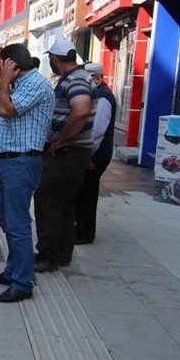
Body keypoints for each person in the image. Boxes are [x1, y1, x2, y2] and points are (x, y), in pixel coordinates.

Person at [0, 43, 55, 302]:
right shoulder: (20, 85)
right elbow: (13, 123)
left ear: (12, 64)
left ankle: (23, 283)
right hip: (9, 160)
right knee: (8, 222)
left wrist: (4, 81)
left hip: (21, 163)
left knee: (18, 225)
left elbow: (5, 110)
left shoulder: (34, 84)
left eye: (2, 64)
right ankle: (12, 271)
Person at [34, 35, 96, 273]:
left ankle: (48, 255)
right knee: (64, 202)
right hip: (75, 151)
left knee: (47, 199)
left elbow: (81, 110)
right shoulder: (73, 77)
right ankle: (61, 253)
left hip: (68, 152)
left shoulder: (77, 79)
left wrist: (62, 140)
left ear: (55, 59)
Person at [73, 62, 116, 245]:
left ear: (97, 78)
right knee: (82, 192)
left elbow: (97, 131)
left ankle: (84, 232)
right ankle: (81, 229)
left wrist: (88, 156)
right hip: (92, 153)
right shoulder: (95, 94)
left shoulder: (103, 97)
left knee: (87, 194)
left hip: (96, 155)